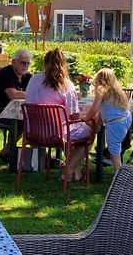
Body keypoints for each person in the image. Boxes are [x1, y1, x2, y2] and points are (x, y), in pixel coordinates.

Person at [25, 48, 93, 182]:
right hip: (57, 134)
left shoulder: (33, 80)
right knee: (89, 133)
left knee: (68, 130)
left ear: (44, 64)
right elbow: (73, 116)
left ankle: (76, 173)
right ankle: (68, 172)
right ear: (63, 65)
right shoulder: (66, 85)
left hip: (33, 133)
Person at [82, 68, 132, 170]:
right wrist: (97, 125)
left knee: (114, 155)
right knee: (116, 148)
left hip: (115, 122)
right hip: (126, 118)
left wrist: (86, 118)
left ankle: (120, 179)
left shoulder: (101, 89)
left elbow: (94, 109)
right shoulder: (116, 90)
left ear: (99, 79)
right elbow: (102, 110)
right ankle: (120, 173)